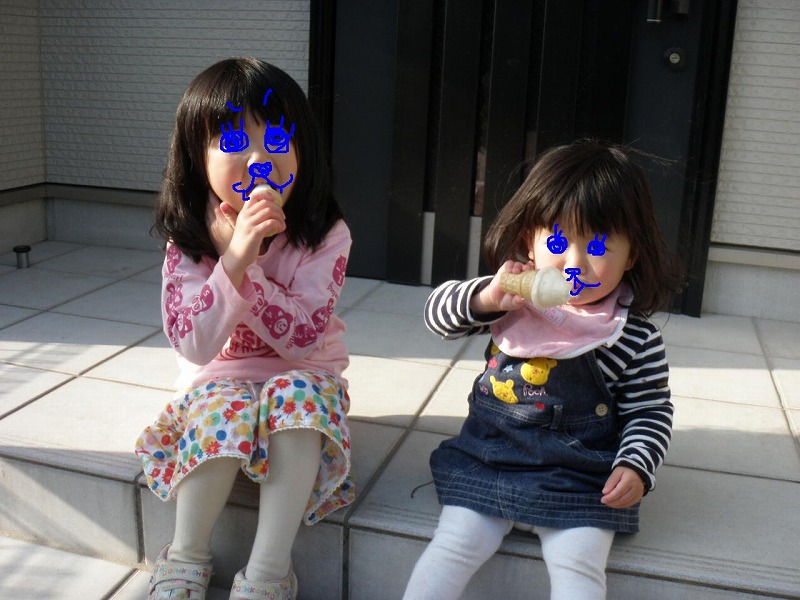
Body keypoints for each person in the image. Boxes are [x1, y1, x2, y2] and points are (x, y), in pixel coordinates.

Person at [404, 140, 683, 600]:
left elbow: (650, 411)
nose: (574, 264)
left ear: (632, 254)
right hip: (490, 460)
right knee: (453, 546)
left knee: (578, 566)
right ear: (529, 243)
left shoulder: (631, 337)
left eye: (597, 246)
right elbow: (438, 316)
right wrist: (484, 299)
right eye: (557, 242)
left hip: (578, 480)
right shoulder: (510, 298)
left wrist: (635, 465)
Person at [135, 57, 354, 600]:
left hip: (304, 375)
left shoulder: (325, 234)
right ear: (196, 158)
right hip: (220, 377)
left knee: (297, 396)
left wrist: (247, 265)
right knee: (222, 402)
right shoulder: (189, 240)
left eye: (277, 138)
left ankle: (268, 573)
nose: (259, 159)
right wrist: (230, 257)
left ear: (303, 150)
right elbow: (194, 344)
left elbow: (300, 341)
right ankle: (185, 558)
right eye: (234, 141)